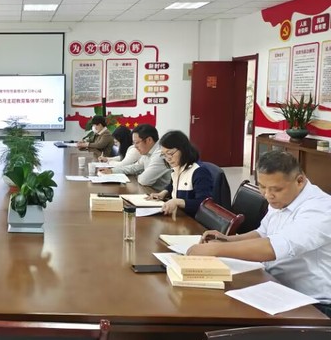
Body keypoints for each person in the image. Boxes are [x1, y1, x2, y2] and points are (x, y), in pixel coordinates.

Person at [187, 150, 331, 314]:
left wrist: (216, 249)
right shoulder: (283, 198)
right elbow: (263, 233)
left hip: (314, 304)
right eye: (262, 187)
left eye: (276, 189)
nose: (268, 195)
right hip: (276, 286)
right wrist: (227, 240)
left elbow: (273, 247)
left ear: (299, 181)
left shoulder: (321, 209)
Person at [147, 130, 213, 217]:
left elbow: (204, 204)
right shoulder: (177, 167)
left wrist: (177, 202)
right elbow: (173, 185)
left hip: (193, 220)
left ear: (183, 149)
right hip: (178, 214)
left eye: (170, 153)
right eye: (164, 155)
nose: (168, 158)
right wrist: (163, 193)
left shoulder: (199, 172)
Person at [99, 124, 171, 191]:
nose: (135, 146)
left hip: (158, 195)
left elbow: (144, 180)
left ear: (149, 140)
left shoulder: (160, 154)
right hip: (147, 191)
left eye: (137, 143)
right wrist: (112, 171)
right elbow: (134, 167)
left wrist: (137, 175)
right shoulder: (147, 151)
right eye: (133, 143)